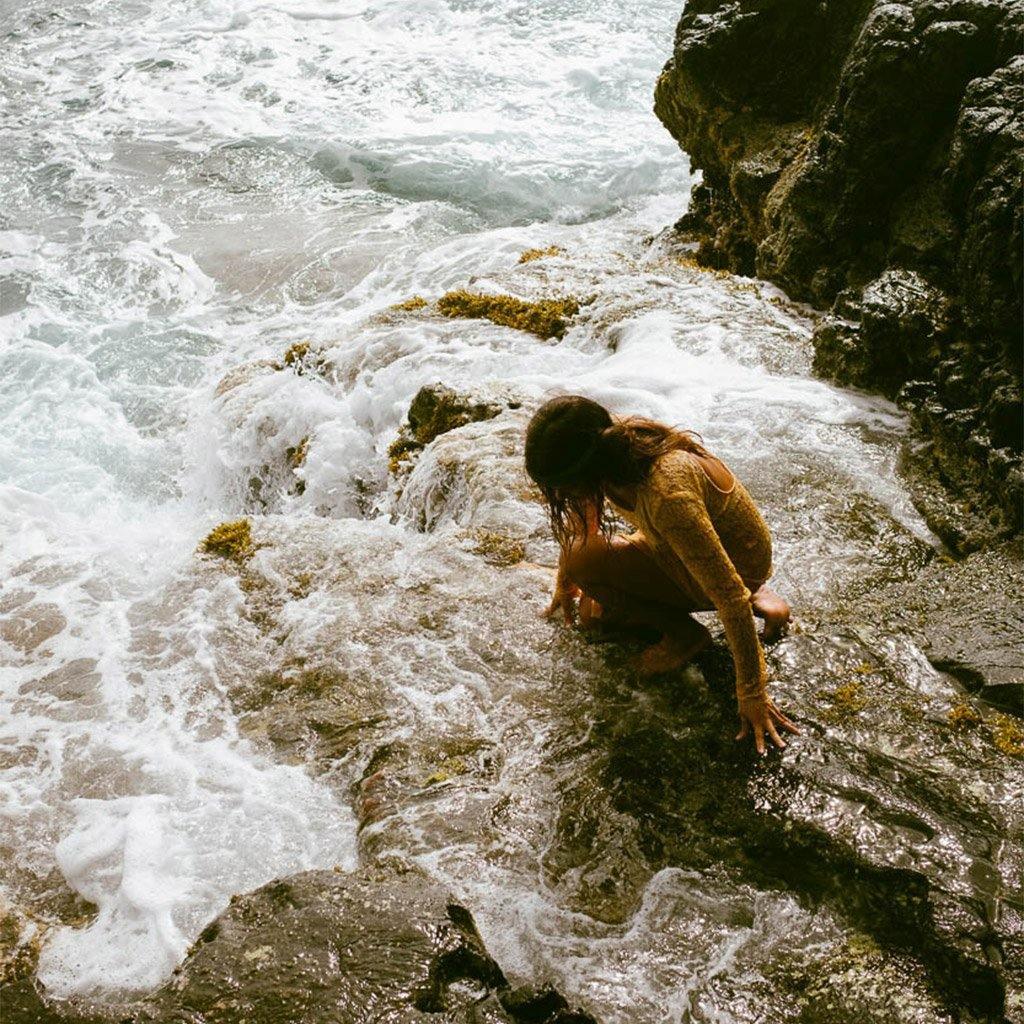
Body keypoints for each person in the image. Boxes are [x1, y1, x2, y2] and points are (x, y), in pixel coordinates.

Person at [524, 394, 799, 754]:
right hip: (689, 549)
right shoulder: (609, 442)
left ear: (585, 472)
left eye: (561, 486)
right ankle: (761, 596)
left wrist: (751, 693)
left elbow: (728, 596)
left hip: (731, 567)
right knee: (592, 614)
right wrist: (564, 586)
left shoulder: (667, 495)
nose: (558, 494)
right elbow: (584, 511)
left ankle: (686, 635)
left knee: (585, 565)